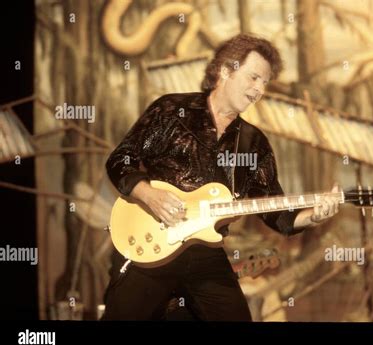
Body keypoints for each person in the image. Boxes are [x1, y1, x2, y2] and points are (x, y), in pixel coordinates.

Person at [102, 34, 340, 321]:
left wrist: (315, 216)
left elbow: (278, 213)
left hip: (205, 254)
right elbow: (121, 160)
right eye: (253, 78)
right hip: (150, 241)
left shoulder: (254, 143)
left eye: (264, 83)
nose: (258, 90)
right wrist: (149, 195)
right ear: (226, 70)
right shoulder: (171, 111)